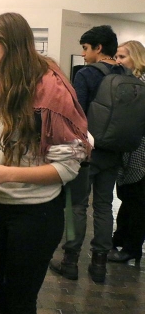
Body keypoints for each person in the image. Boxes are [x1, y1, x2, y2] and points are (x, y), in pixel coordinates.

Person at [0, 13, 90, 314]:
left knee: (20, 298)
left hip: (36, 215)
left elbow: (67, 169)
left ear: (13, 45)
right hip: (0, 206)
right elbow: (5, 145)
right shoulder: (0, 85)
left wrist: (6, 173)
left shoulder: (51, 92)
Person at [49, 25, 124, 283]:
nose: (82, 54)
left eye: (85, 48)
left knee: (76, 205)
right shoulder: (125, 74)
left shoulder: (86, 74)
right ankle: (99, 265)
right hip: (114, 152)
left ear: (98, 48)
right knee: (104, 206)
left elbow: (75, 114)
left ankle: (70, 262)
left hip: (87, 151)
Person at [108, 40, 145, 263]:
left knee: (137, 201)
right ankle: (121, 240)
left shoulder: (140, 85)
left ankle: (131, 248)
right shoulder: (129, 83)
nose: (118, 61)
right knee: (129, 198)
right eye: (117, 57)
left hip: (140, 151)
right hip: (130, 150)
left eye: (122, 57)